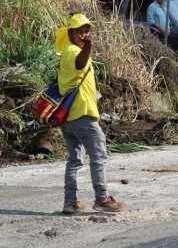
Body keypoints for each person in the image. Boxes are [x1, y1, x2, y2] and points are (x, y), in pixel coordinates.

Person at [55, 13, 125, 214]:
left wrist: (86, 47)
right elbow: (79, 64)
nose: (84, 34)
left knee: (75, 160)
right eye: (80, 31)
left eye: (87, 31)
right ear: (70, 33)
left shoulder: (69, 50)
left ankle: (70, 202)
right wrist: (88, 47)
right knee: (98, 156)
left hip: (70, 118)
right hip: (82, 114)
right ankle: (102, 198)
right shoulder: (72, 51)